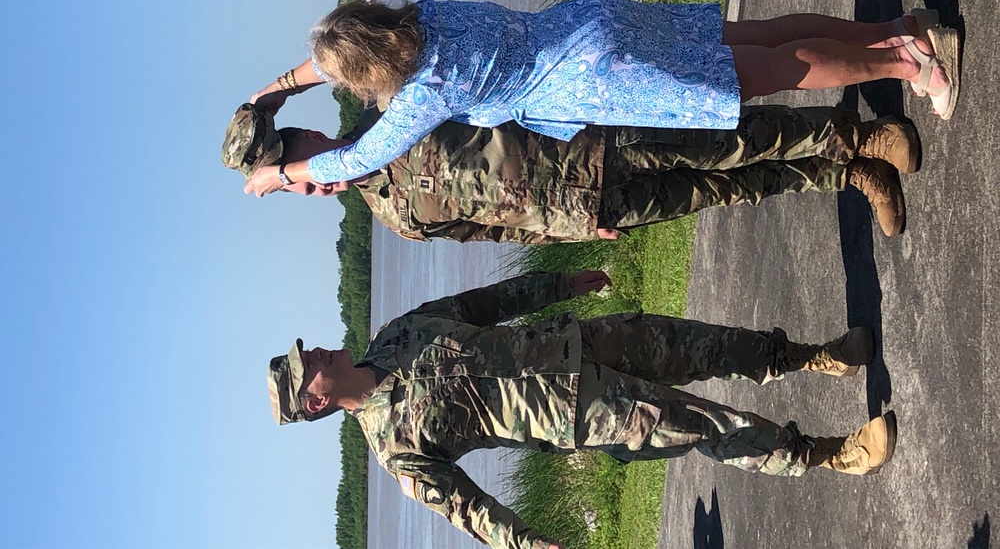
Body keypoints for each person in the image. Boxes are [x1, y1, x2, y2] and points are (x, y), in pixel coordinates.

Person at [267, 270, 897, 549]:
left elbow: (479, 304)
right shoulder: (395, 451)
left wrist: (558, 285)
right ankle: (831, 455)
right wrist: (525, 543)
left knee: (707, 343)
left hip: (578, 341)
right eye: (307, 364)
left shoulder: (394, 335)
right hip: (579, 409)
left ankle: (817, 357)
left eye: (306, 351)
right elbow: (466, 509)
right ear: (316, 400)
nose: (315, 351)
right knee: (706, 425)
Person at [243, 0, 958, 201]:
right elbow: (342, 49)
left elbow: (357, 159)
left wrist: (281, 173)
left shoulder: (424, 92)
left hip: (599, 78)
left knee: (771, 71)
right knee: (761, 34)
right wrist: (275, 90)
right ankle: (897, 29)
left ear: (365, 72)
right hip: (586, 24)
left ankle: (907, 62)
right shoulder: (424, 16)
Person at [223, 101, 921, 237]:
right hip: (584, 209)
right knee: (725, 190)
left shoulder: (389, 109)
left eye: (299, 168)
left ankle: (859, 134)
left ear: (308, 135)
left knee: (728, 140)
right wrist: (568, 231)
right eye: (299, 187)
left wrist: (279, 158)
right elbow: (492, 229)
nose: (312, 183)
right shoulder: (393, 216)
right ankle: (849, 176)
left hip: (592, 142)